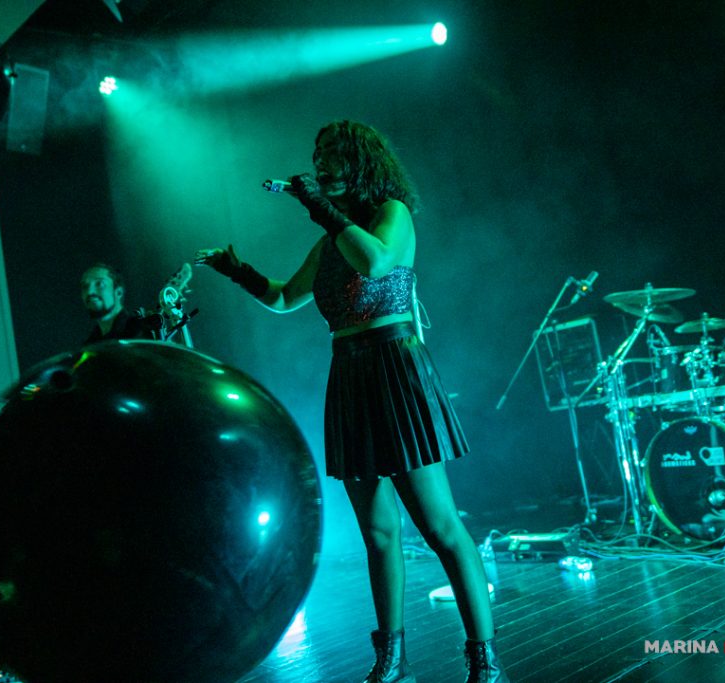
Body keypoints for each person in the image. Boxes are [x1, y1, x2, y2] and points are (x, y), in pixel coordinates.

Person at [195, 120, 508, 683]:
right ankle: (392, 659)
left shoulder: (392, 213)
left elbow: (377, 263)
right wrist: (236, 270)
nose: (322, 163)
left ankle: (484, 659)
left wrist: (317, 206)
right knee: (379, 533)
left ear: (361, 162)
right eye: (318, 154)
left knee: (440, 526)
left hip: (395, 368)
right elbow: (284, 298)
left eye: (334, 154)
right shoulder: (330, 240)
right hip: (350, 375)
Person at [80, 262, 158, 344]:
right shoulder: (90, 344)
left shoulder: (141, 332)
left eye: (99, 284)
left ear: (118, 292)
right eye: (85, 286)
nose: (89, 292)